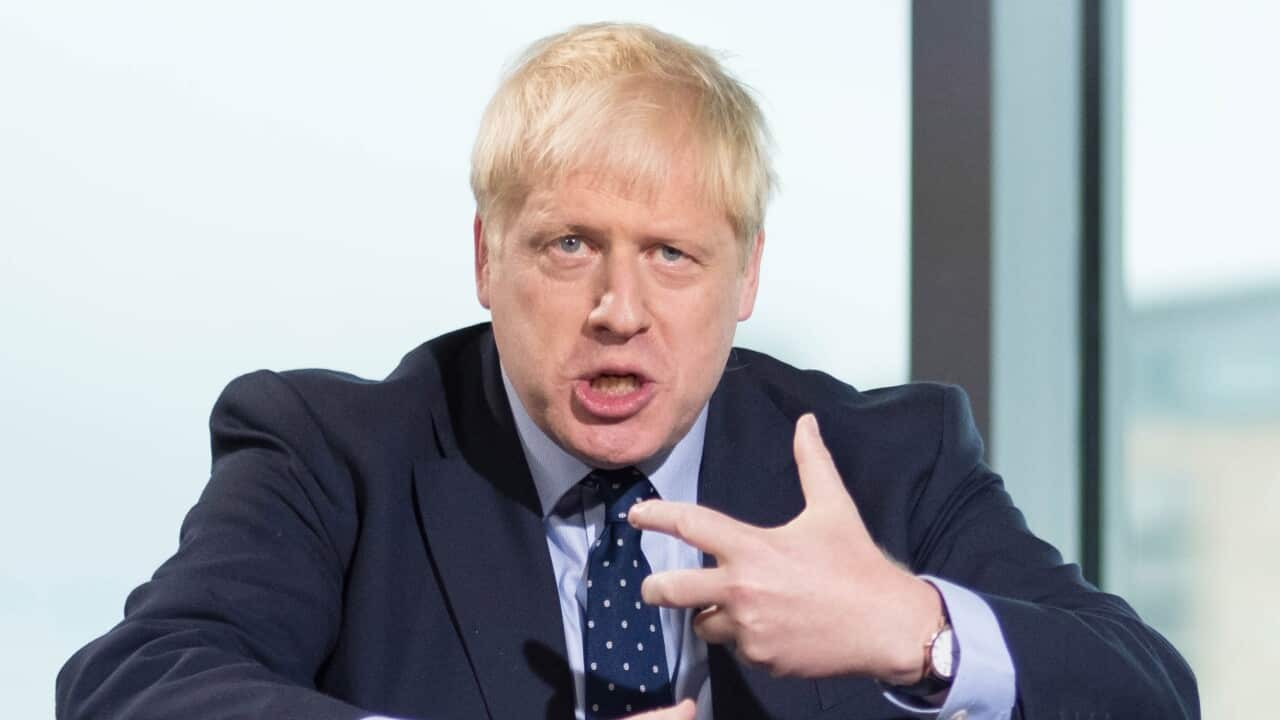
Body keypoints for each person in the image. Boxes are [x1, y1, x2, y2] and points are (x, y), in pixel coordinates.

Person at [55, 22, 1198, 720]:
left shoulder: (883, 463)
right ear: (483, 259)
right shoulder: (330, 450)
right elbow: (135, 688)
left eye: (671, 255)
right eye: (568, 247)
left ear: (744, 276)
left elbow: (1149, 695)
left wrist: (914, 627)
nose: (617, 311)